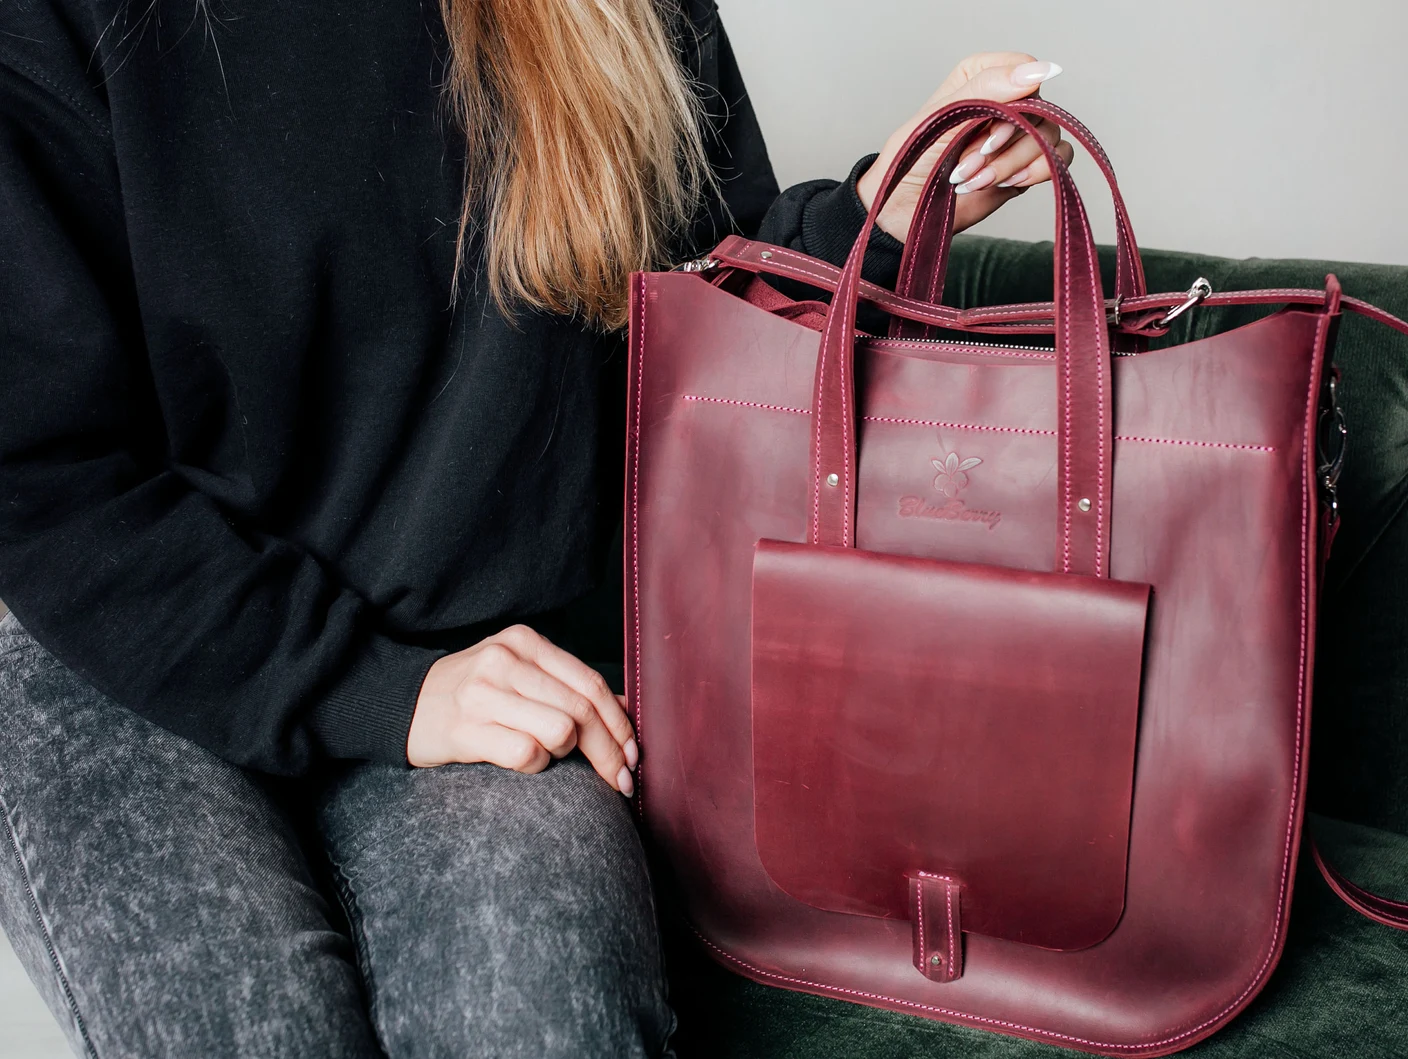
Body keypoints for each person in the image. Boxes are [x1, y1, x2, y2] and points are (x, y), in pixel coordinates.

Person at [0, 1, 1070, 1055]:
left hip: (480, 653)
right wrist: (367, 688)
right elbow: (39, 465)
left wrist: (878, 219)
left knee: (549, 1017)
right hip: (131, 653)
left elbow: (693, 319)